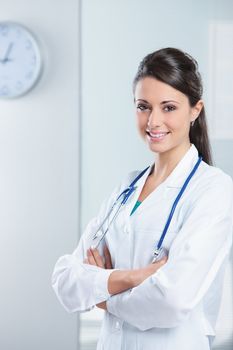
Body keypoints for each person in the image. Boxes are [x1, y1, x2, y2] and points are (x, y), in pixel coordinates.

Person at [51, 47, 233, 350]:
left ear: (195, 110)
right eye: (143, 106)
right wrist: (133, 278)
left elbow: (172, 301)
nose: (153, 121)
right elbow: (65, 280)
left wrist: (102, 295)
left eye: (169, 107)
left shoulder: (214, 190)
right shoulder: (126, 187)